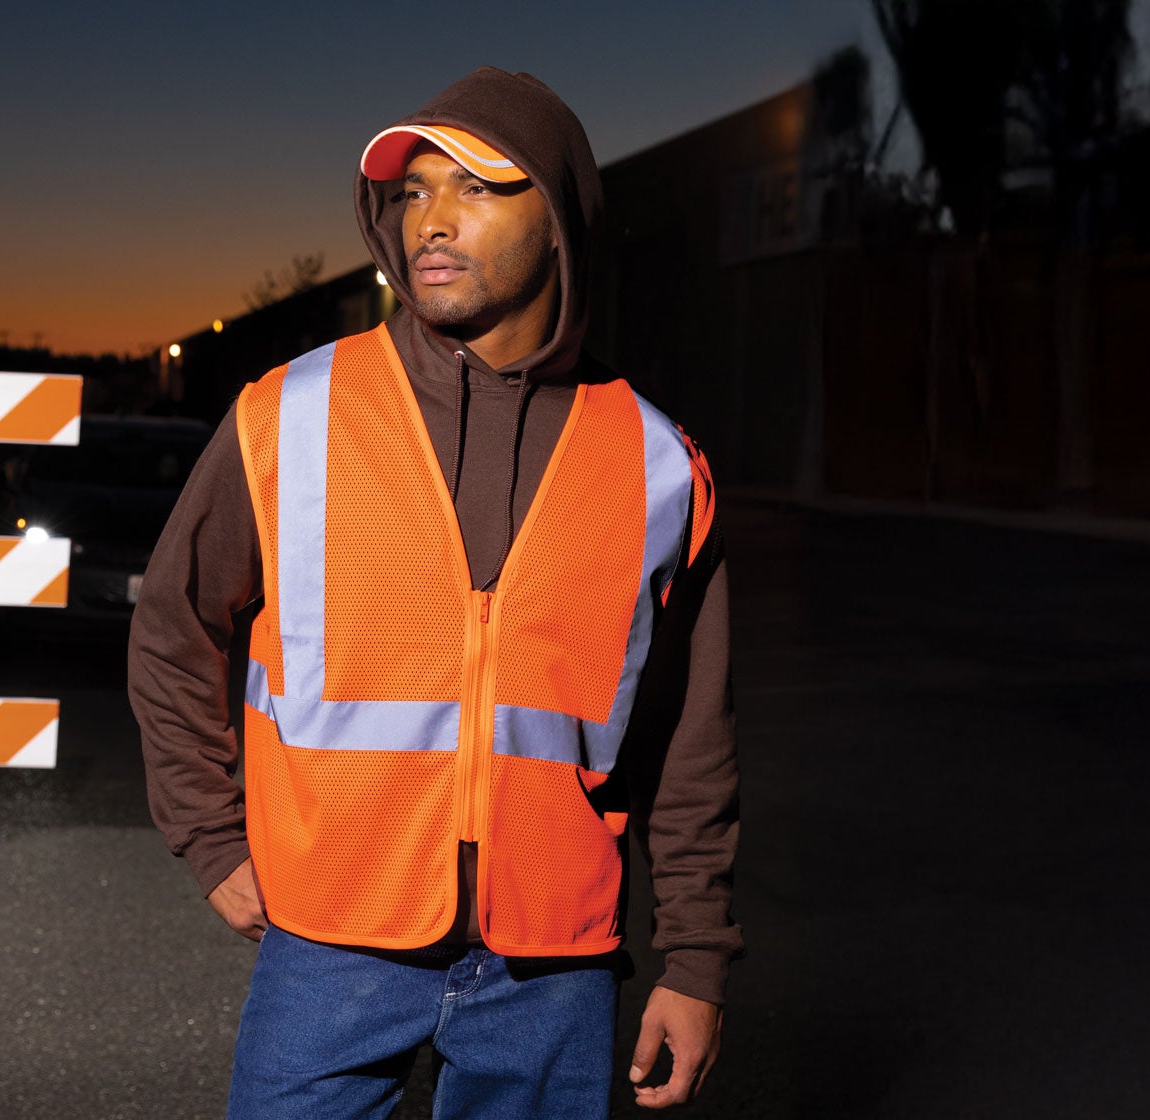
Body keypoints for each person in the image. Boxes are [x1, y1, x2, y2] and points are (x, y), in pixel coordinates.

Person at [129, 68, 739, 1117]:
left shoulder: (657, 465)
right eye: (412, 193)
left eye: (476, 189)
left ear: (560, 220)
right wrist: (209, 834)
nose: (432, 222)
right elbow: (174, 625)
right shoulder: (291, 414)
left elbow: (690, 731)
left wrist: (695, 959)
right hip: (330, 937)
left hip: (553, 961)